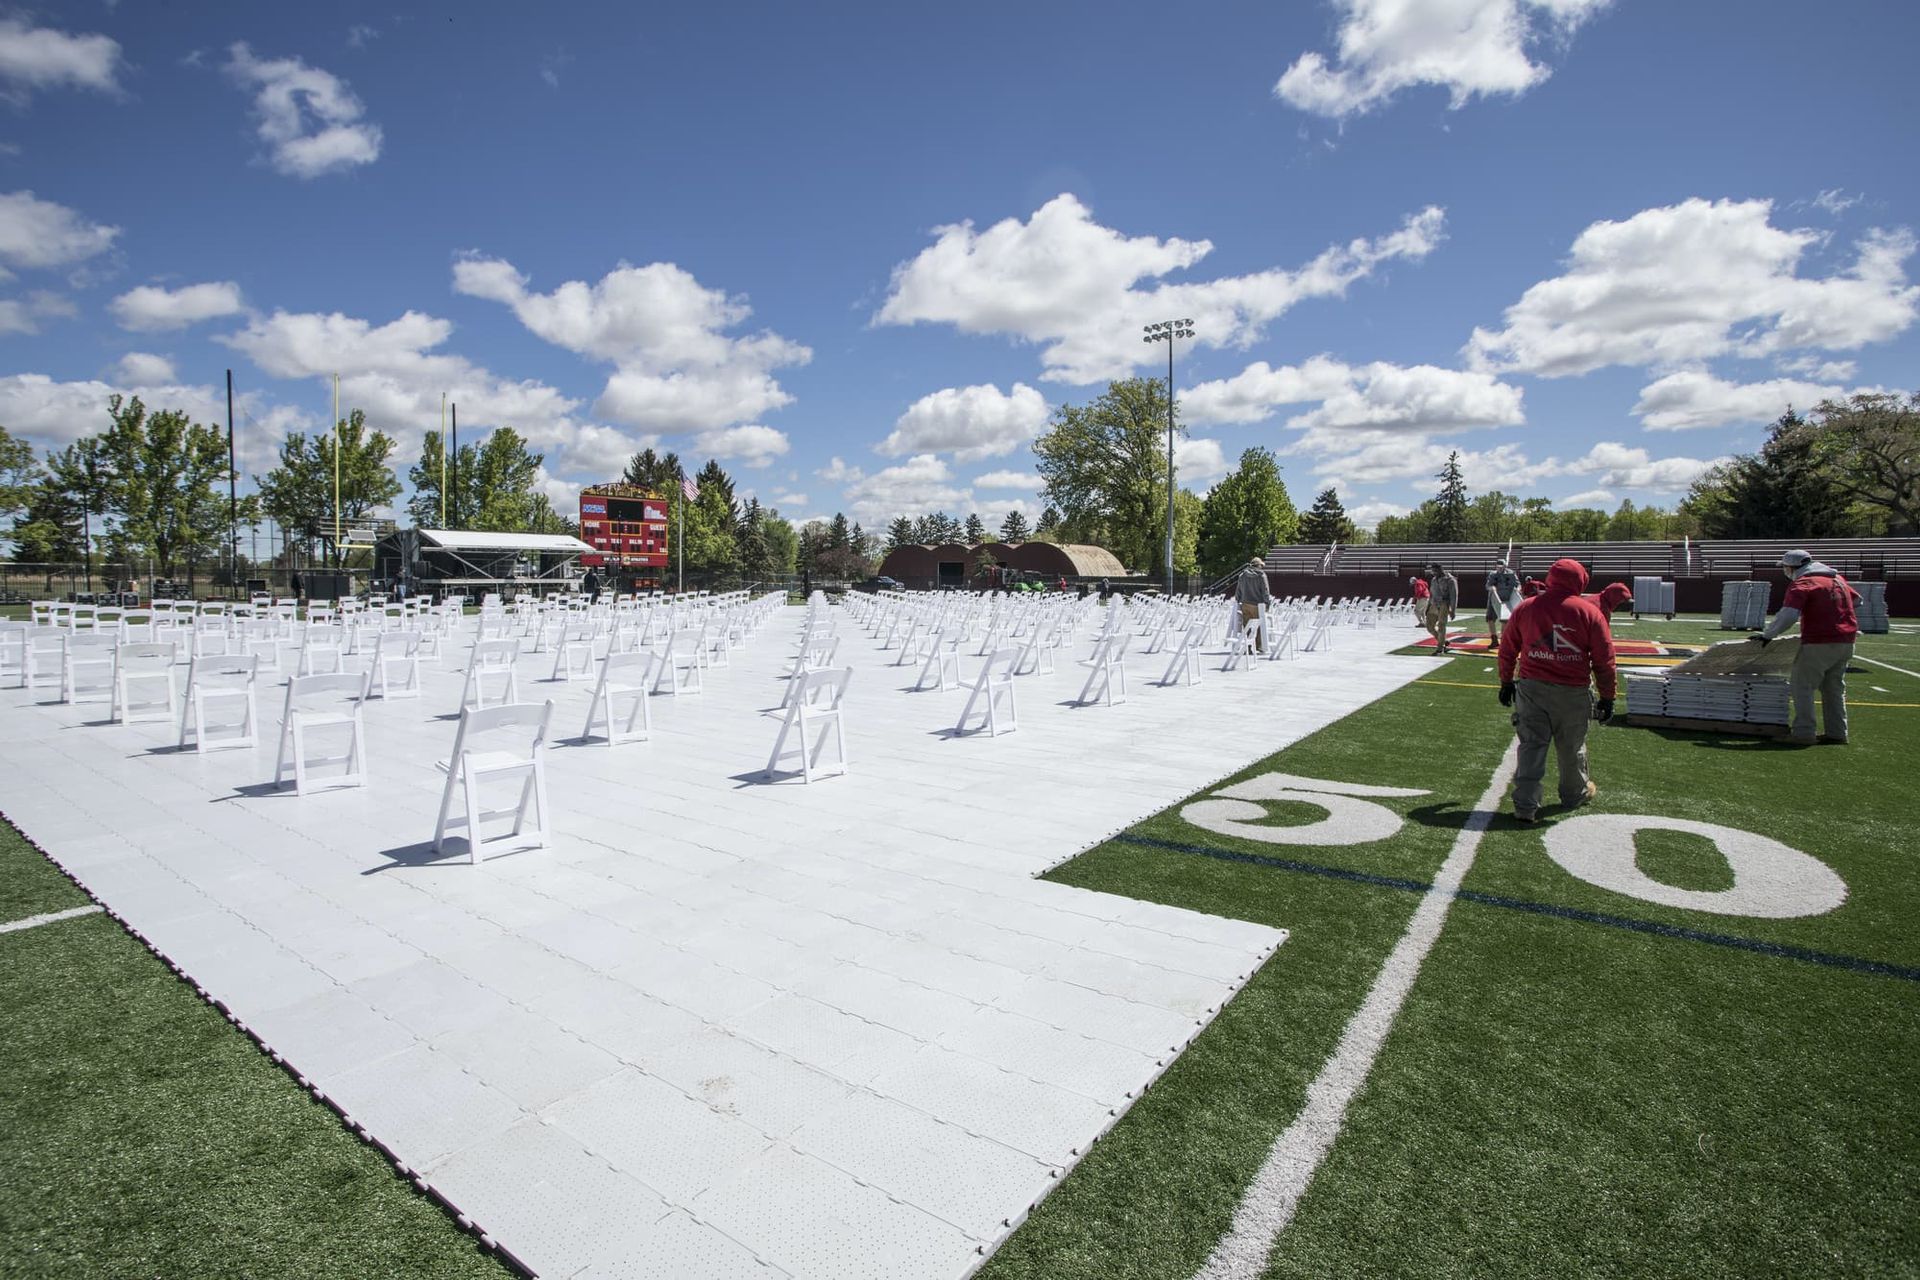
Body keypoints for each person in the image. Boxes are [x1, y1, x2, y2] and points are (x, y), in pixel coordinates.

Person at [1497, 558, 1616, 823]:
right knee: (1571, 747)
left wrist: (1506, 681)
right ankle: (1574, 794)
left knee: (1531, 746)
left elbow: (1508, 647)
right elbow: (1604, 659)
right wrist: (1608, 696)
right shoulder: (1588, 612)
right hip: (1572, 692)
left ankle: (1525, 805)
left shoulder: (1527, 608)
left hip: (1532, 688)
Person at [1751, 549, 1860, 744]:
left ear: (1792, 567)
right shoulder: (1837, 579)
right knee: (1834, 688)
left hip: (1820, 641)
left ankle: (1803, 733)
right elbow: (1857, 600)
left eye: (1785, 567)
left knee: (1803, 686)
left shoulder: (1803, 583)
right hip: (1847, 640)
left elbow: (1789, 614)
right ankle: (1837, 732)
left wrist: (1768, 635)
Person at [1236, 558, 1272, 653]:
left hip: (1245, 604)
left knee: (1247, 626)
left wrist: (1238, 600)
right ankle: (1258, 646)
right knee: (1259, 626)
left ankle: (1247, 647)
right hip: (1257, 605)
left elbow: (1238, 590)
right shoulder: (1261, 576)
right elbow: (1265, 591)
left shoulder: (1242, 575)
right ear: (1259, 565)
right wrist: (1267, 604)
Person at [1485, 559, 1521, 645]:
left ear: (1505, 566)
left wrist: (1518, 590)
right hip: (1494, 599)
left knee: (1505, 620)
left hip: (1507, 599)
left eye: (1501, 567)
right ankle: (1494, 639)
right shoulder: (1493, 574)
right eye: (1498, 567)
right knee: (1490, 619)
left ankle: (1503, 639)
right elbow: (1488, 586)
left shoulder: (1511, 573)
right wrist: (1492, 588)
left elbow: (1518, 584)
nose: (1499, 569)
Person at [1424, 563, 1458, 654]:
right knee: (1429, 627)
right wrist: (1428, 607)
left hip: (1444, 604)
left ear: (1441, 570)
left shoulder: (1450, 580)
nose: (1434, 573)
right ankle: (1443, 641)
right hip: (1433, 604)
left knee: (1441, 626)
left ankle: (1440, 647)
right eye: (1432, 571)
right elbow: (1431, 594)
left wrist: (1453, 610)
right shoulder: (1434, 580)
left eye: (1435, 571)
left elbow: (1454, 596)